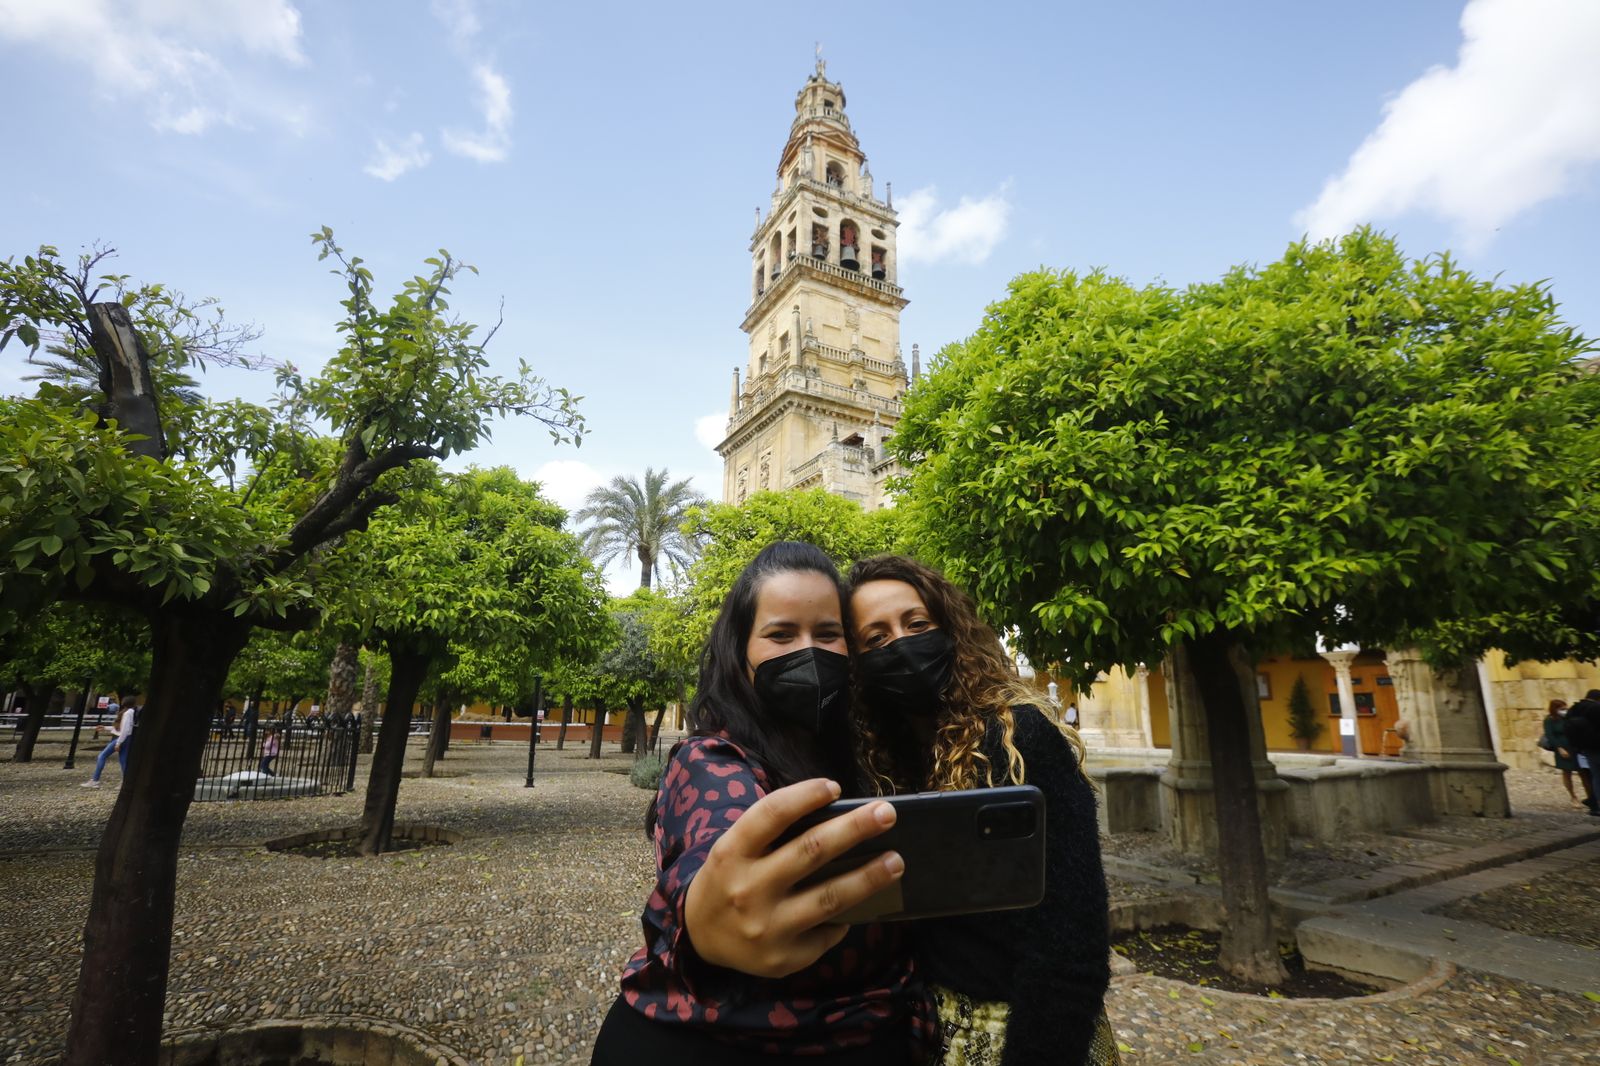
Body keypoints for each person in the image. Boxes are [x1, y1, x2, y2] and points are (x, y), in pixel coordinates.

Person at [592, 541, 936, 1065]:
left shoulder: (872, 758)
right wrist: (706, 920)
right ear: (741, 652)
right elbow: (712, 841)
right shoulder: (711, 757)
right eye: (780, 634)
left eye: (827, 634)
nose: (810, 651)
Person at [848, 554, 1116, 1066]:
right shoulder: (883, 761)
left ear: (949, 630)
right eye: (876, 639)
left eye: (916, 624)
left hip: (1020, 1034)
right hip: (927, 1031)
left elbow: (1071, 945)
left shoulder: (1021, 737)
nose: (901, 645)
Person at [1538, 699, 1583, 808]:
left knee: (1583, 772)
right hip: (1562, 748)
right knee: (1567, 773)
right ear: (1555, 709)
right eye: (1561, 709)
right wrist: (1559, 748)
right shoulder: (1549, 720)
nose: (1564, 710)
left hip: (1574, 747)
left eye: (1565, 708)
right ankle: (1573, 796)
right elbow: (1550, 735)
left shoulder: (1567, 718)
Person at [1562, 689, 1600, 815]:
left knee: (1594, 776)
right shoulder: (1595, 708)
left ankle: (1596, 804)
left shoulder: (1574, 708)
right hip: (1597, 745)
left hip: (1582, 748)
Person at [82, 700, 136, 788]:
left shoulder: (127, 713)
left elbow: (124, 730)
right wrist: (106, 728)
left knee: (102, 756)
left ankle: (95, 780)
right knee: (123, 761)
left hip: (122, 738)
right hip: (127, 738)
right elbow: (124, 728)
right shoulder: (131, 712)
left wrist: (118, 743)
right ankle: (126, 782)